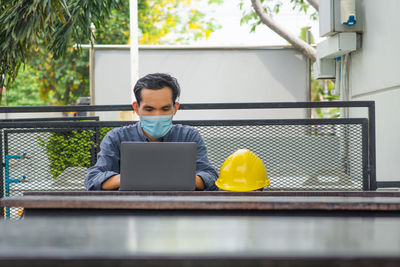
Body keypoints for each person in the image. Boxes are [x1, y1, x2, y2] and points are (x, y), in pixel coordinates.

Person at [85, 73, 218, 191]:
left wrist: (159, 178)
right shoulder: (116, 137)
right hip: (130, 209)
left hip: (178, 209)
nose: (157, 115)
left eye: (165, 109)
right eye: (149, 109)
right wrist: (136, 178)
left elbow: (211, 177)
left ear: (175, 108)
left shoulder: (189, 136)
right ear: (136, 108)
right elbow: (93, 179)